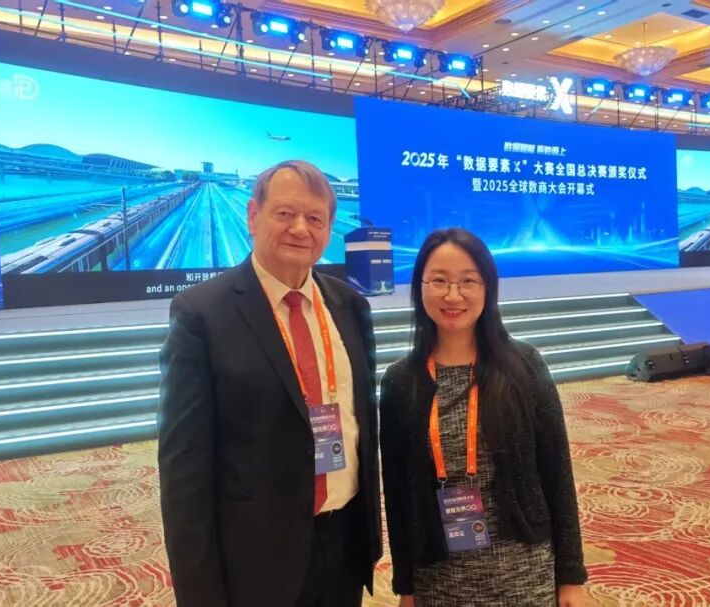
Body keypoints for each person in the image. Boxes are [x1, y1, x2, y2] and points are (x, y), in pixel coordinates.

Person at [158, 160, 381, 607]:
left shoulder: (349, 305)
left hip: (343, 543)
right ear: (253, 216)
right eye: (285, 213)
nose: (300, 228)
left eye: (315, 218)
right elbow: (184, 471)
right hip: (258, 558)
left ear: (328, 230)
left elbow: (361, 424)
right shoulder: (202, 314)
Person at [379, 228, 588, 607]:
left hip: (524, 571)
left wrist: (572, 575)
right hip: (438, 578)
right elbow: (397, 495)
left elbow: (557, 473)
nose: (453, 295)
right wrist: (405, 586)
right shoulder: (400, 382)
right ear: (419, 287)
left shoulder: (524, 366)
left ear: (487, 288)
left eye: (468, 281)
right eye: (439, 281)